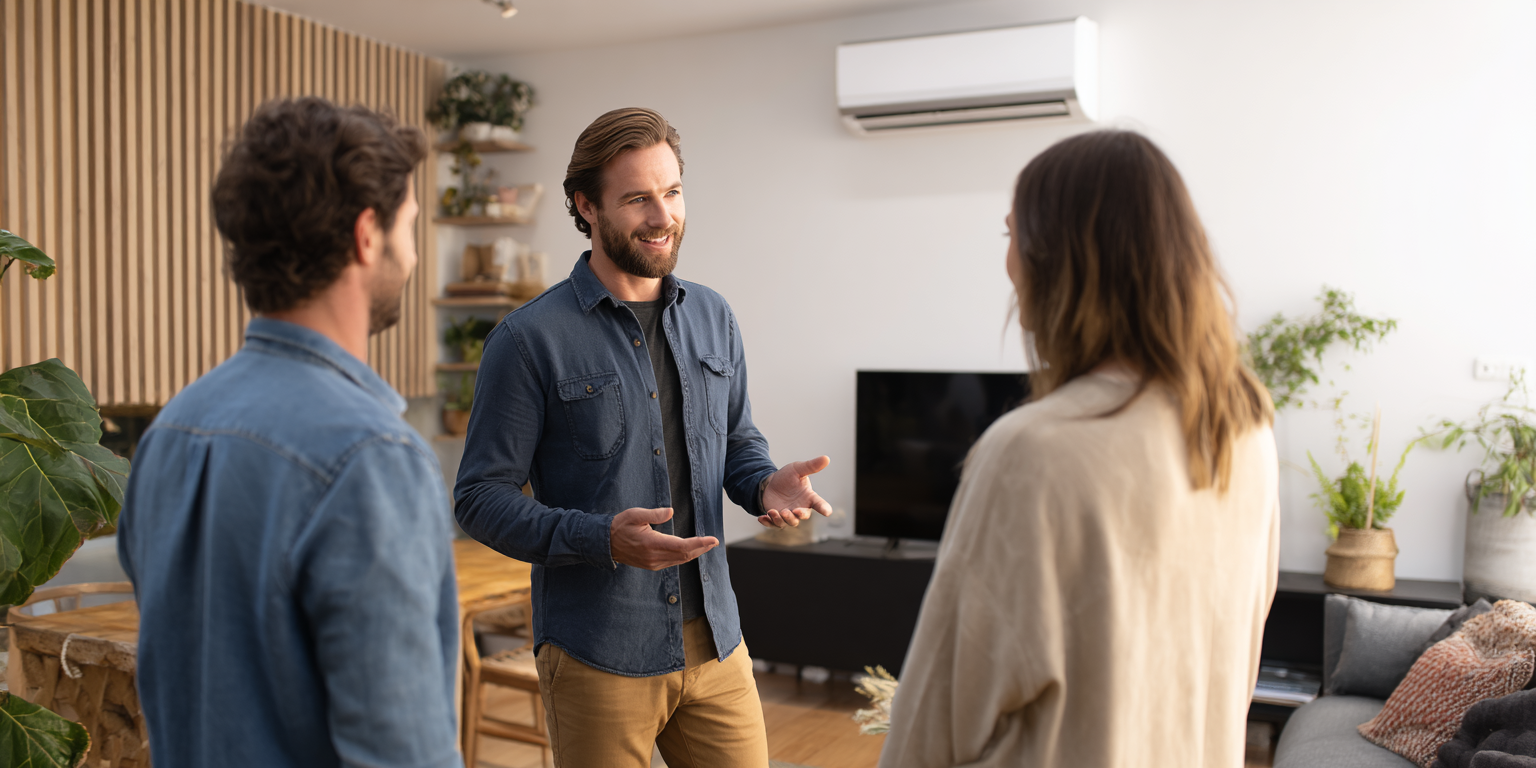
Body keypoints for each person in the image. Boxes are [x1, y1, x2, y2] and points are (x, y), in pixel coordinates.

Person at [878, 130, 1280, 768]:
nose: (1008, 263)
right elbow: (1243, 647)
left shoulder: (1032, 450)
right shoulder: (1244, 429)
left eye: (1014, 235)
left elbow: (935, 720)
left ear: (1057, 255)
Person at [453, 107, 832, 768]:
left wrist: (764, 483)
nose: (663, 216)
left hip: (717, 643)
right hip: (597, 652)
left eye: (672, 191)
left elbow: (736, 441)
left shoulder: (714, 316)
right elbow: (479, 498)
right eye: (636, 198)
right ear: (586, 206)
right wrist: (601, 540)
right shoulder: (527, 340)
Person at [117, 98, 461, 768]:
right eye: (412, 227)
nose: (415, 255)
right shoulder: (372, 459)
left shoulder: (171, 431)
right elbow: (402, 753)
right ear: (368, 235)